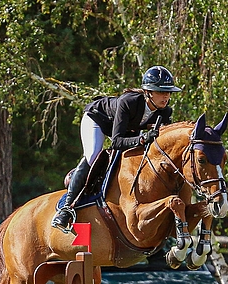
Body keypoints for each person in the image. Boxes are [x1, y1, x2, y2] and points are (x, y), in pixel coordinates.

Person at [51, 66, 182, 233]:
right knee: (93, 155)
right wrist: (142, 138)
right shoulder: (129, 102)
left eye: (169, 92)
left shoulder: (164, 112)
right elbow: (117, 142)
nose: (166, 96)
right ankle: (66, 208)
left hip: (128, 129)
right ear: (148, 92)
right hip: (97, 120)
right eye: (160, 91)